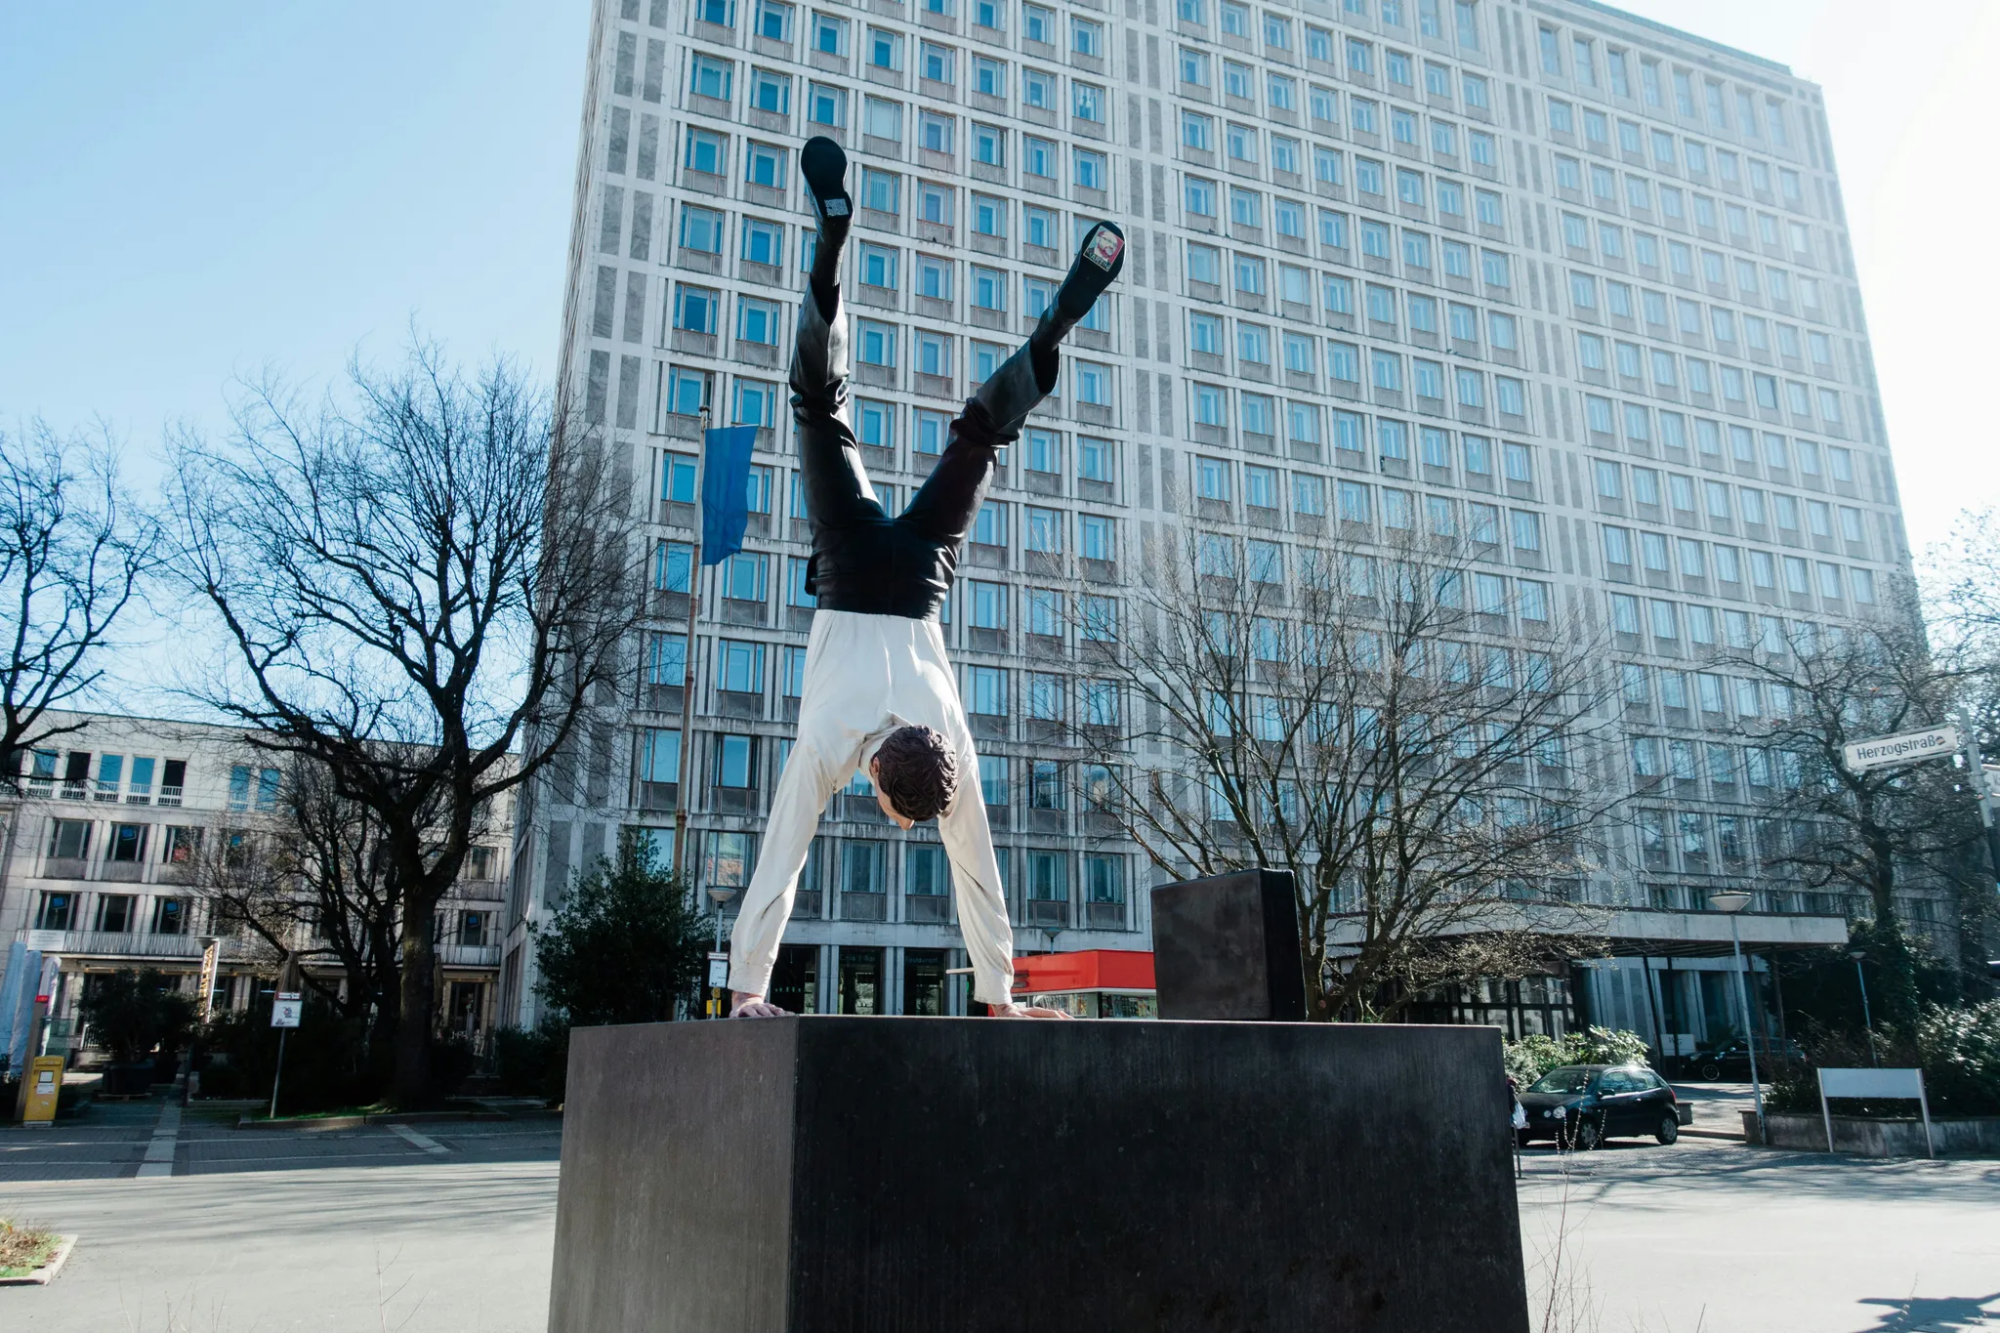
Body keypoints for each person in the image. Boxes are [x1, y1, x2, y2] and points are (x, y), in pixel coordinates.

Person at [727, 137, 1124, 1019]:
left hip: (920, 579)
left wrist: (1000, 994)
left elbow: (978, 873)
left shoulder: (949, 743)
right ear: (879, 784)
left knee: (979, 435)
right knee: (817, 406)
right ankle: (828, 253)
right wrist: (747, 989)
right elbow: (781, 860)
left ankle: (1049, 331)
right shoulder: (834, 744)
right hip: (849, 566)